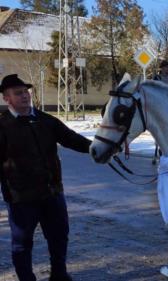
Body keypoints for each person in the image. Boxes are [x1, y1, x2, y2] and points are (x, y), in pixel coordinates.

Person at [0, 74, 91, 281]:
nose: (24, 96)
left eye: (25, 92)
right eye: (18, 93)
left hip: (52, 193)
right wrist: (9, 192)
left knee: (59, 237)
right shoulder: (3, 126)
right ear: (7, 99)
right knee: (22, 244)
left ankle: (59, 275)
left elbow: (72, 139)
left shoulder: (45, 120)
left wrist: (98, 148)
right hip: (21, 198)